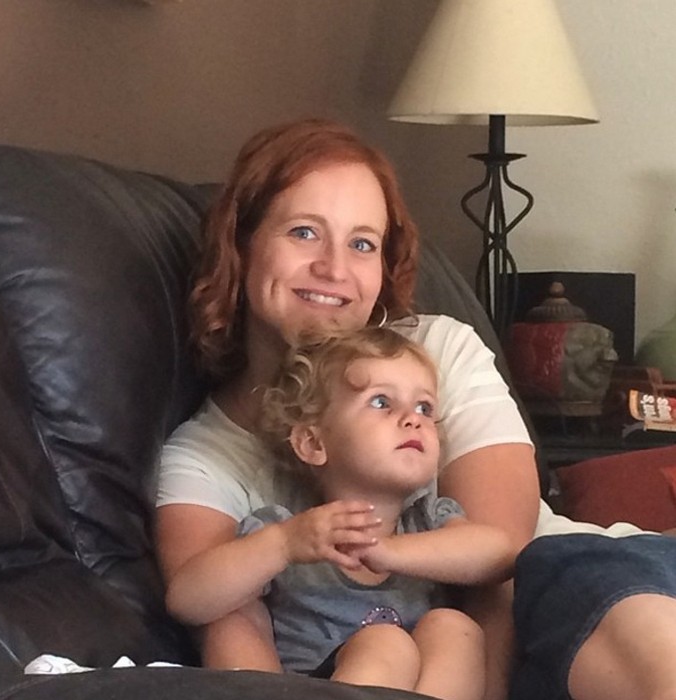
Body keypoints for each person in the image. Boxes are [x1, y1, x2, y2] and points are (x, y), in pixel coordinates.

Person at [155, 117, 676, 700]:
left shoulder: (436, 350)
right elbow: (217, 615)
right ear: (240, 245)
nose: (334, 269)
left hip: (567, 586)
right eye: (304, 232)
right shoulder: (206, 460)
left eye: (362, 244)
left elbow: (503, 561)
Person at [166, 326, 516, 700]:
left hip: (417, 681)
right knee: (385, 643)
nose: (413, 419)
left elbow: (500, 556)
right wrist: (283, 545)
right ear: (313, 442)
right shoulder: (289, 530)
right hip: (319, 686)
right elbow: (187, 601)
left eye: (424, 408)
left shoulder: (427, 520)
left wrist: (391, 551)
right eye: (381, 402)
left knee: (455, 628)